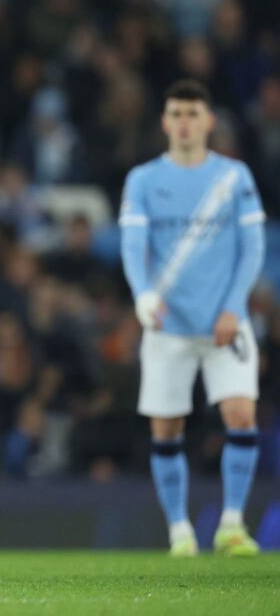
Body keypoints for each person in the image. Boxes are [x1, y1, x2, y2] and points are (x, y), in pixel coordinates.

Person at [119, 79, 265, 557]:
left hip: (225, 323)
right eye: (177, 114)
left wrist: (234, 307)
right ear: (165, 122)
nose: (184, 123)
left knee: (241, 414)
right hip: (169, 325)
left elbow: (253, 248)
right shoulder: (143, 179)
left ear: (209, 121)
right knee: (166, 429)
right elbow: (133, 244)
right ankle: (180, 532)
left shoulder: (234, 177)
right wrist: (143, 295)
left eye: (192, 114)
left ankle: (232, 524)